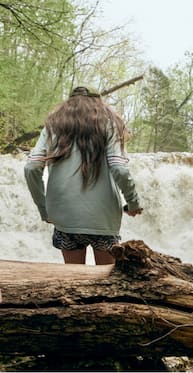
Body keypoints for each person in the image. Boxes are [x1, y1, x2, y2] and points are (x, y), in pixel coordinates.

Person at [24, 86, 143, 265]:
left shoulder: (53, 126)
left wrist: (44, 209)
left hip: (65, 217)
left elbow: (31, 167)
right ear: (99, 103)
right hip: (103, 218)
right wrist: (133, 203)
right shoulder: (110, 124)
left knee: (74, 283)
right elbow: (120, 169)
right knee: (108, 286)